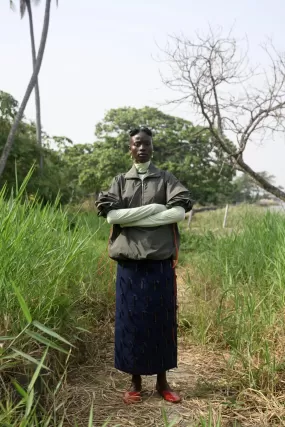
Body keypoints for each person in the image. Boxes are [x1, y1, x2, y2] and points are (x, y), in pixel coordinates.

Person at [95, 126, 192, 404]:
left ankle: (163, 382)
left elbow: (179, 212)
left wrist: (131, 217)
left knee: (162, 321)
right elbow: (112, 218)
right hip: (129, 266)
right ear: (130, 148)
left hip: (159, 263)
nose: (142, 148)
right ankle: (135, 383)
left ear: (152, 147)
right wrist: (155, 210)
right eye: (137, 144)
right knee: (131, 323)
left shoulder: (165, 179)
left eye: (146, 144)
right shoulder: (119, 182)